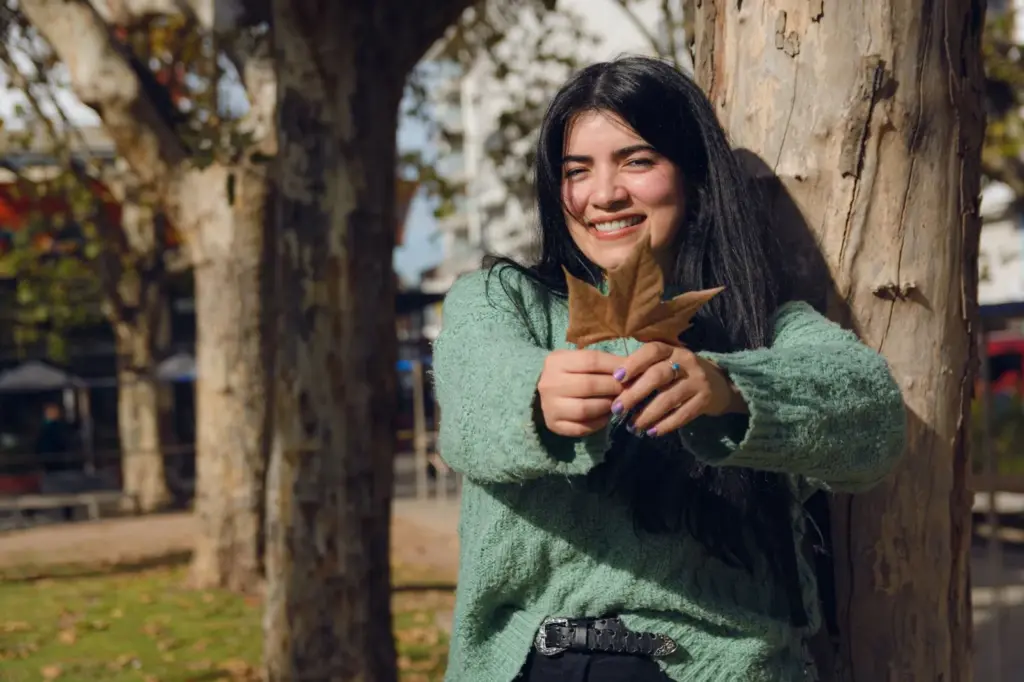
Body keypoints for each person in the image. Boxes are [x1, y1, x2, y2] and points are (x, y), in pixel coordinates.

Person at [432, 56, 906, 682]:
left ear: (692, 174)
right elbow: (472, 406)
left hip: (723, 666)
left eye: (636, 161)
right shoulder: (500, 301)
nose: (603, 194)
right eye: (577, 172)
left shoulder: (763, 328)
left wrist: (731, 389)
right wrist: (538, 394)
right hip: (535, 660)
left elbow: (874, 421)